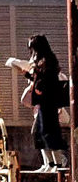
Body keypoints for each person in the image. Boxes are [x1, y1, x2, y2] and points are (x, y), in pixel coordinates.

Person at [26, 34, 68, 170]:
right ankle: (50, 164)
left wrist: (38, 87)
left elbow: (46, 81)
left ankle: (58, 164)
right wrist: (28, 73)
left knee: (48, 133)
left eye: (32, 48)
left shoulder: (48, 61)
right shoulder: (42, 60)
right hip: (44, 102)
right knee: (39, 133)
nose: (31, 51)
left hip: (48, 102)